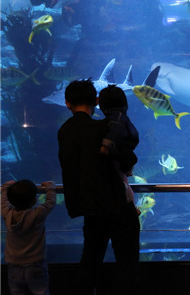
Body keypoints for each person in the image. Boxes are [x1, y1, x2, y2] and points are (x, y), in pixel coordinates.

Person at [57, 79, 139, 295]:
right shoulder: (103, 128)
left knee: (90, 260)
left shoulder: (64, 131)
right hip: (117, 205)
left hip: (89, 207)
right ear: (96, 101)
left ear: (67, 103)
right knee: (127, 263)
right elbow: (128, 157)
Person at [1, 179, 56, 295]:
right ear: (34, 199)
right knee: (40, 292)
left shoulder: (7, 214)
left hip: (14, 265)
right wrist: (51, 188)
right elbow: (50, 203)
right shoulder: (37, 214)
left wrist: (5, 187)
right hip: (35, 264)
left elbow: (3, 202)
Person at [98, 85, 139, 208]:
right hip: (121, 158)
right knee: (123, 184)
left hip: (118, 158)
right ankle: (131, 208)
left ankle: (130, 208)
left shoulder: (117, 118)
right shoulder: (122, 118)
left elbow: (115, 131)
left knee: (121, 184)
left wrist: (105, 147)